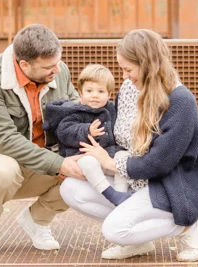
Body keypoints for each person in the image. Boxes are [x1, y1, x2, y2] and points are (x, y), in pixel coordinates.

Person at [60, 29, 198, 262]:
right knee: (70, 188)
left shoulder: (181, 101)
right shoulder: (129, 90)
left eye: (128, 69)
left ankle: (190, 226)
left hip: (166, 186)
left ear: (148, 65)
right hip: (130, 178)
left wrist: (110, 162)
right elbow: (117, 137)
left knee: (114, 230)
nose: (125, 76)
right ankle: (138, 240)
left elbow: (158, 164)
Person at [0, 24, 87, 257]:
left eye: (58, 62)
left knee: (85, 170)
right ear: (24, 64)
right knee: (3, 169)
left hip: (38, 161)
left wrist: (75, 155)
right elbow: (5, 139)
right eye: (48, 66)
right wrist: (56, 163)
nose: (57, 70)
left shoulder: (60, 71)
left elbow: (74, 117)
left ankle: (37, 221)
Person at [43, 64, 132, 206]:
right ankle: (110, 194)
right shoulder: (76, 111)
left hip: (108, 155)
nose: (95, 95)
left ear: (109, 95)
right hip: (82, 156)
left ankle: (121, 193)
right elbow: (64, 131)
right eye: (89, 91)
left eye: (101, 91)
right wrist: (87, 130)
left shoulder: (111, 110)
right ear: (80, 93)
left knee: (124, 157)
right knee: (88, 162)